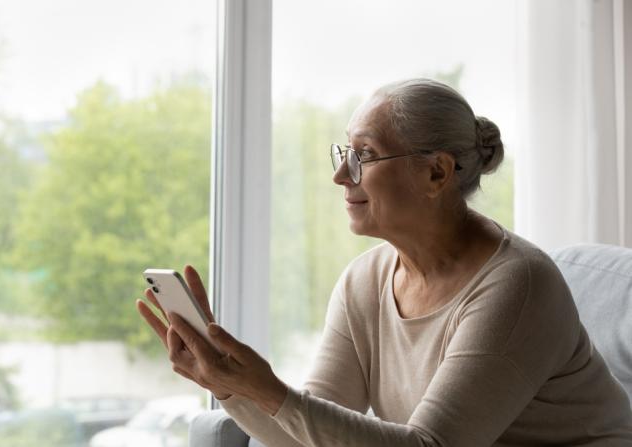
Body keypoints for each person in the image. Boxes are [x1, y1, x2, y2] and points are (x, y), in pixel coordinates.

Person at [137, 78, 632, 446]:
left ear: (436, 172)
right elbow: (309, 433)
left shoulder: (516, 285)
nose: (340, 175)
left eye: (364, 155)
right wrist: (228, 385)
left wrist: (269, 390)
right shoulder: (365, 281)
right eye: (343, 151)